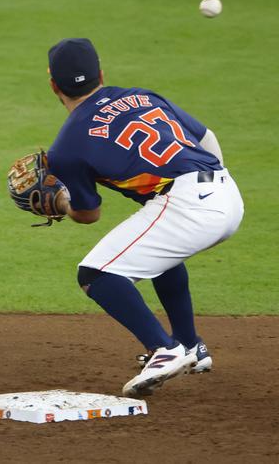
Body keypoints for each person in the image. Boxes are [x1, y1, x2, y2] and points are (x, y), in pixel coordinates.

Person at [41, 38, 244, 397]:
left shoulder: (67, 146)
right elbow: (207, 137)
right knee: (160, 255)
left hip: (189, 204)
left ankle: (164, 350)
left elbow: (89, 214)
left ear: (53, 83)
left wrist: (59, 204)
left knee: (96, 274)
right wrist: (214, 186)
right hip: (226, 192)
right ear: (101, 74)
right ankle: (190, 346)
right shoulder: (141, 96)